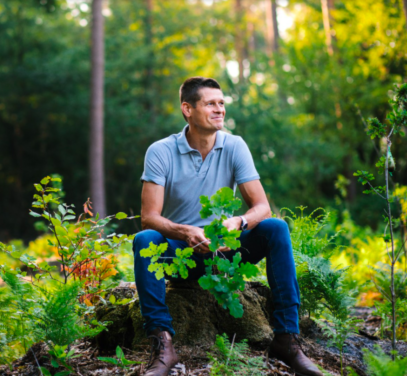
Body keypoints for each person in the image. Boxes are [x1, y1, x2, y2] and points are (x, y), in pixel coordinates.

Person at [134, 76, 322, 376]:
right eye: (210, 103)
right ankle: (163, 344)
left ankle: (287, 339)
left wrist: (239, 221)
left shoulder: (235, 146)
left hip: (227, 252)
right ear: (187, 109)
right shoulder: (161, 151)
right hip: (182, 256)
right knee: (145, 239)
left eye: (221, 103)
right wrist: (186, 232)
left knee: (276, 228)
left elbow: (262, 206)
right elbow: (150, 217)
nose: (219, 109)